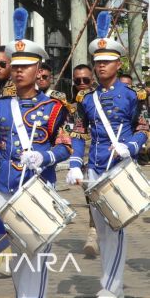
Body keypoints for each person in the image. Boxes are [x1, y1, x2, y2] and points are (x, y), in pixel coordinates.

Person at [0, 8, 72, 297]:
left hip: (39, 190)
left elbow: (66, 146)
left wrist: (45, 157)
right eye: (15, 65)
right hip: (7, 189)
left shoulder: (54, 108)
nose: (18, 70)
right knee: (18, 259)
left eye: (26, 66)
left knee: (37, 260)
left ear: (38, 70)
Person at [67, 11, 149, 298]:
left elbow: (144, 128)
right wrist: (76, 162)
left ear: (118, 63)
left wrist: (132, 145)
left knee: (116, 229)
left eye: (106, 61)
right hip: (96, 168)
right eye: (97, 62)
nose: (100, 67)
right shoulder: (86, 99)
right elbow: (78, 133)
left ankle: (111, 288)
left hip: (120, 169)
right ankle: (110, 284)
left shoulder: (133, 96)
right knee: (101, 231)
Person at [71, 64, 100, 257]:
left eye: (86, 80)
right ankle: (94, 231)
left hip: (103, 153)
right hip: (82, 155)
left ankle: (96, 232)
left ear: (93, 80)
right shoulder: (70, 102)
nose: (82, 84)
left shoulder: (100, 99)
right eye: (77, 81)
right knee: (92, 196)